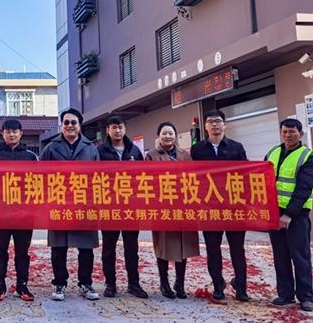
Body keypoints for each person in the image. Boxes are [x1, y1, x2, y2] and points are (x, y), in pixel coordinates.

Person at [190, 109, 249, 302]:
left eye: (218, 121)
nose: (214, 125)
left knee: (237, 249)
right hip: (210, 208)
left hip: (234, 208)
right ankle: (218, 285)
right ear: (205, 126)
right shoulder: (197, 150)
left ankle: (241, 287)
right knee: (213, 249)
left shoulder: (236, 147)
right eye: (210, 122)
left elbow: (247, 173)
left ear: (224, 124)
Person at [41, 108, 100, 302]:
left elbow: (98, 178)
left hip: (84, 204)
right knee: (59, 247)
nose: (69, 126)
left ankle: (85, 283)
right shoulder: (51, 148)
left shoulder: (91, 148)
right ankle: (60, 283)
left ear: (79, 125)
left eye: (73, 122)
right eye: (66, 122)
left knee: (86, 248)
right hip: (59, 203)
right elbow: (41, 176)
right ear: (62, 125)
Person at [266, 118, 313, 312]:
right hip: (274, 213)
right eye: (284, 132)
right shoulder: (272, 153)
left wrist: (288, 214)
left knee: (300, 256)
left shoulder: (308, 157)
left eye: (292, 132)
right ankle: (285, 294)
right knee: (280, 256)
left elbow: (304, 188)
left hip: (296, 216)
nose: (288, 135)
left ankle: (306, 297)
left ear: (300, 134)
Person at [145, 121, 199, 299]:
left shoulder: (185, 155)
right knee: (163, 247)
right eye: (164, 133)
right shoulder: (151, 156)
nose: (168, 136)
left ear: (175, 135)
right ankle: (164, 283)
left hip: (183, 208)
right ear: (158, 136)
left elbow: (193, 178)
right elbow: (148, 181)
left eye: (170, 133)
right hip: (162, 208)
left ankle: (180, 283)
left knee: (183, 247)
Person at [97, 115, 148, 299]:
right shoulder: (100, 151)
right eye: (114, 127)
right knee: (108, 249)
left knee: (131, 248)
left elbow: (143, 176)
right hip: (109, 207)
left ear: (125, 129)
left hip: (130, 208)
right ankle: (110, 284)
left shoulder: (134, 150)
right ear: (108, 130)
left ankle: (134, 284)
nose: (117, 131)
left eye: (120, 127)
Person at [0, 119, 38, 302]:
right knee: (0, 251)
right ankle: (0, 284)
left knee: (22, 252)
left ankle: (22, 285)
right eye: (8, 131)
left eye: (15, 131)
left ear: (21, 134)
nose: (11, 134)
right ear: (2, 134)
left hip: (23, 214)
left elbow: (37, 183)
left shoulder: (31, 157)